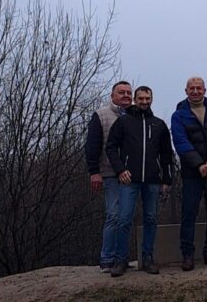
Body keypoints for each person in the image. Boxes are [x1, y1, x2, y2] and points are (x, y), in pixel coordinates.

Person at [105, 85, 173, 277]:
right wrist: (120, 169)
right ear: (135, 99)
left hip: (152, 180)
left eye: (147, 98)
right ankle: (121, 260)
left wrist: (167, 179)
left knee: (151, 218)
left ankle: (148, 258)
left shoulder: (159, 125)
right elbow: (111, 147)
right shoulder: (123, 122)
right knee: (124, 219)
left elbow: (167, 155)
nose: (144, 102)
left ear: (151, 99)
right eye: (141, 98)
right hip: (129, 180)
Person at [171, 76, 207, 271]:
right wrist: (199, 164)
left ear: (205, 90)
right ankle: (187, 255)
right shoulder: (179, 115)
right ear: (186, 91)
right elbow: (180, 142)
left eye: (199, 88)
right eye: (192, 88)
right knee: (189, 213)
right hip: (192, 173)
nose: (195, 91)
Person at [85, 80, 133, 273]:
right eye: (121, 92)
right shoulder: (101, 115)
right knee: (113, 215)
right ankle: (107, 259)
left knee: (126, 217)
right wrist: (94, 172)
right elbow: (92, 145)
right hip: (110, 173)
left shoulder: (135, 115)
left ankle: (121, 258)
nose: (126, 96)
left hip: (132, 175)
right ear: (112, 95)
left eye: (129, 93)